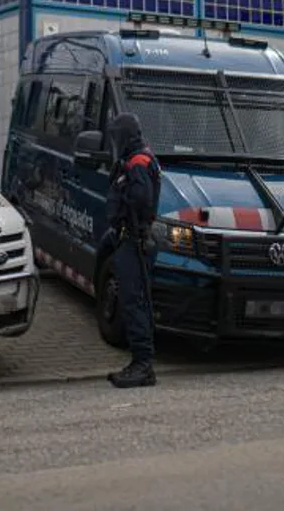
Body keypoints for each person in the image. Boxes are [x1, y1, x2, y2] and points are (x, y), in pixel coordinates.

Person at [101, 112, 162, 388]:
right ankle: (141, 362)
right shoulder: (135, 159)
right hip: (131, 239)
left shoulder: (138, 162)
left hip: (135, 241)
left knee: (135, 301)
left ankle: (142, 364)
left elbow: (141, 200)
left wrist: (128, 218)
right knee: (134, 300)